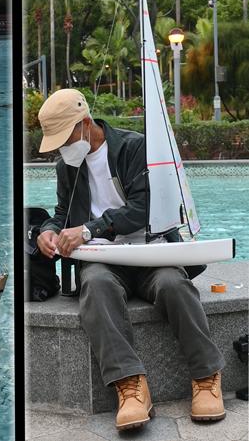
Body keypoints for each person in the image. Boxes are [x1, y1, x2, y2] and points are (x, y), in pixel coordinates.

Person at [35, 89, 225, 431]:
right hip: (103, 261)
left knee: (173, 284)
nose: (62, 149)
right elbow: (63, 213)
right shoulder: (67, 166)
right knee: (94, 284)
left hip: (150, 250)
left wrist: (90, 229)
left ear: (86, 124)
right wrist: (48, 230)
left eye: (65, 139)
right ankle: (131, 387)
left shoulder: (133, 147)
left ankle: (206, 376)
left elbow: (145, 207)